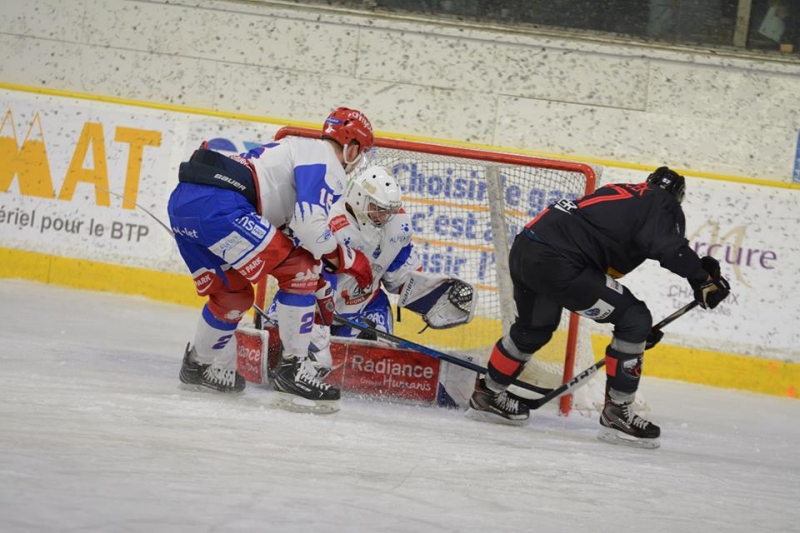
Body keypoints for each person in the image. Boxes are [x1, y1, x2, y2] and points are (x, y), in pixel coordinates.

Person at [466, 167, 731, 449]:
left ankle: (488, 395)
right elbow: (669, 248)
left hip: (527, 249)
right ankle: (618, 413)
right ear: (678, 196)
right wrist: (702, 279)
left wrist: (633, 340)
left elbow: (604, 257)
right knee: (635, 318)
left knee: (533, 330)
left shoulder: (626, 193)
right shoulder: (661, 202)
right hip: (558, 260)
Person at [167, 107, 375, 413]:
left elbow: (290, 232)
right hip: (222, 204)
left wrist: (318, 276)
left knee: (232, 296)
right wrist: (351, 261)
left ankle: (197, 366)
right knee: (300, 270)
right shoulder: (326, 159)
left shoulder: (294, 150)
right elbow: (310, 228)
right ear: (352, 146)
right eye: (361, 152)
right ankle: (293, 370)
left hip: (184, 202)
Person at [266, 165, 477, 378]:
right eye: (379, 208)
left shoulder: (398, 225)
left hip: (365, 306)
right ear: (359, 198)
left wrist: (428, 296)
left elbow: (400, 276)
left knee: (377, 360)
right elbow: (307, 274)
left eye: (390, 210)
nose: (386, 216)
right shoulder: (327, 220)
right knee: (295, 352)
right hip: (315, 303)